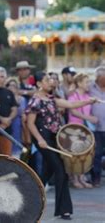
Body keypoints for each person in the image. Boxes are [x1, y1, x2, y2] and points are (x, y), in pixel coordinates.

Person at [26, 71, 97, 220]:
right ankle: (64, 210)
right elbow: (30, 123)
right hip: (43, 138)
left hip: (54, 137)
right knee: (60, 170)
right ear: (39, 84)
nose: (51, 81)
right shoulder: (35, 100)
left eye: (51, 79)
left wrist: (89, 101)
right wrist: (40, 140)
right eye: (47, 80)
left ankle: (30, 197)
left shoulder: (52, 99)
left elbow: (71, 104)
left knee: (47, 171)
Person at [0, 67, 18, 156]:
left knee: (6, 159)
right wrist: (2, 120)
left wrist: (7, 120)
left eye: (2, 76)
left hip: (6, 131)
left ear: (5, 78)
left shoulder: (9, 92)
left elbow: (14, 109)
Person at [89, 66, 105, 187]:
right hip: (96, 127)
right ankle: (96, 178)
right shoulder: (90, 88)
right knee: (97, 154)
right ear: (99, 78)